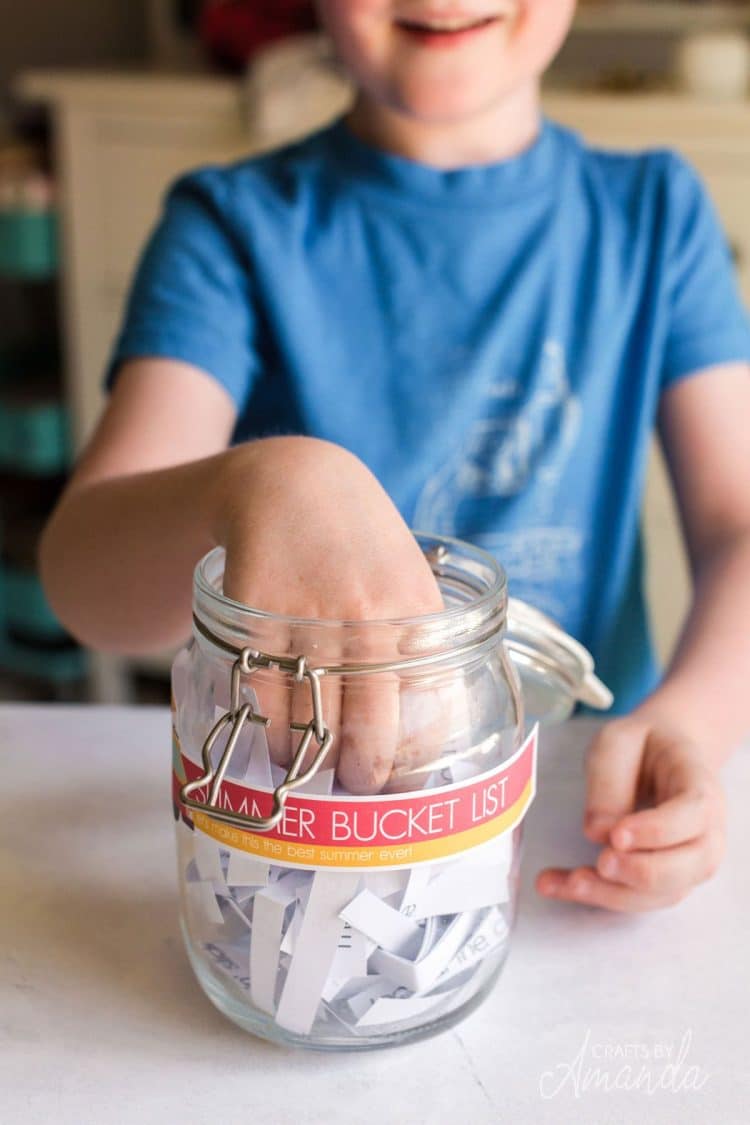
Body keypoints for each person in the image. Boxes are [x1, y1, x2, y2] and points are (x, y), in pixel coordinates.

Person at [39, 1, 750, 913]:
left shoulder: (657, 217)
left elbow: (738, 526)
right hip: (308, 846)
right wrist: (265, 481)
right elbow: (82, 580)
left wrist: (690, 721)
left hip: (585, 811)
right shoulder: (229, 228)